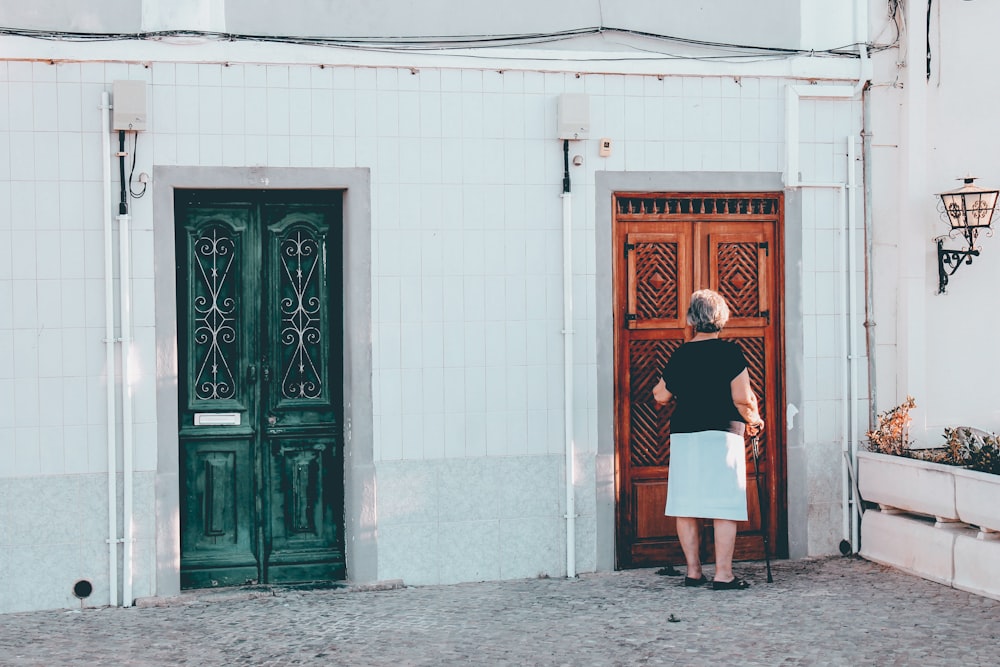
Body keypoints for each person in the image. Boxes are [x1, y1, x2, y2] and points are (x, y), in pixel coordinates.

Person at [652, 289, 764, 591]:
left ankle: (693, 572)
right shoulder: (730, 353)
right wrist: (754, 420)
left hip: (686, 435)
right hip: (721, 435)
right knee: (723, 504)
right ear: (721, 318)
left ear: (692, 319)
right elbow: (742, 399)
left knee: (686, 503)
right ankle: (723, 575)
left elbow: (660, 395)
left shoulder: (681, 354)